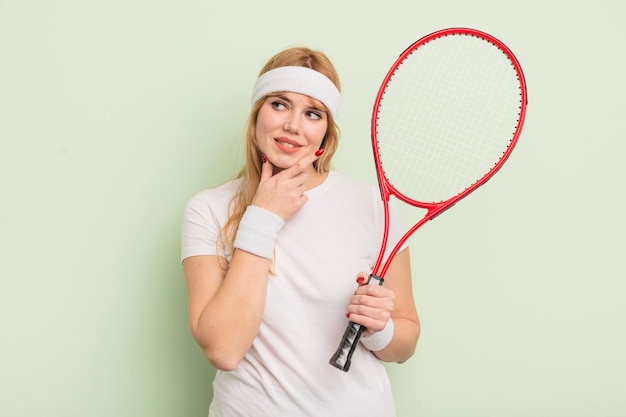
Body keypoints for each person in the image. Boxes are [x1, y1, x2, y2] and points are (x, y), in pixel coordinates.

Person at [181, 46, 420, 417]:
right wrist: (262, 217)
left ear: (325, 132)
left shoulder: (372, 206)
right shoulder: (209, 209)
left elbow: (406, 343)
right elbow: (223, 350)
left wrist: (381, 328)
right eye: (279, 104)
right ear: (257, 113)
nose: (293, 125)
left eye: (312, 113)